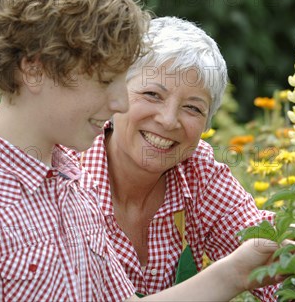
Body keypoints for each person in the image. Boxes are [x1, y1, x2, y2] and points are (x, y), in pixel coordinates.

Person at [0, 0, 283, 301]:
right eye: (104, 82)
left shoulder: (71, 186)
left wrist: (237, 270)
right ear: (35, 69)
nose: (120, 103)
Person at [81, 16, 277, 299]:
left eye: (193, 108)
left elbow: (267, 256)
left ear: (206, 125)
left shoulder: (199, 173)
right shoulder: (66, 177)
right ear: (116, 94)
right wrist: (229, 276)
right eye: (152, 94)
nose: (169, 120)